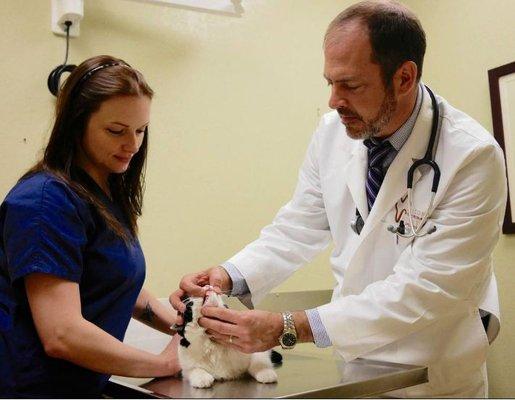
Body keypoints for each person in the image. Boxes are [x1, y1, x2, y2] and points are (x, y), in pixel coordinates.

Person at [170, 1, 507, 397]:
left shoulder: (473, 157)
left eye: (351, 85)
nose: (334, 100)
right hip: (356, 364)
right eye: (330, 82)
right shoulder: (333, 133)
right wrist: (228, 275)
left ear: (404, 77)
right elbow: (298, 225)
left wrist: (289, 327)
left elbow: (426, 288)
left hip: (432, 370)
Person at [0, 55, 180, 398]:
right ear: (77, 123)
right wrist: (165, 364)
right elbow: (62, 335)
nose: (133, 144)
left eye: (140, 130)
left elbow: (105, 278)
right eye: (116, 131)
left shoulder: (102, 192)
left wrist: (183, 326)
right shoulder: (44, 203)